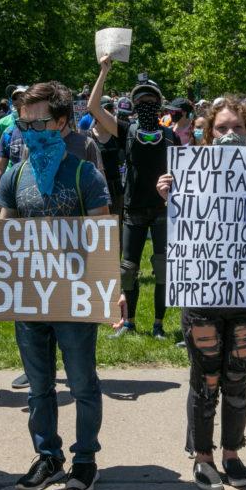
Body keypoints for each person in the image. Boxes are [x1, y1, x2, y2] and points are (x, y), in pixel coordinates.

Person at [0, 82, 112, 490]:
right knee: (39, 385)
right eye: (23, 123)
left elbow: (100, 231)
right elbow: (4, 233)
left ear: (62, 123)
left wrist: (109, 290)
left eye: (38, 122)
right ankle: (48, 456)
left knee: (82, 383)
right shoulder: (15, 174)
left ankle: (84, 460)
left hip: (75, 296)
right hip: (30, 296)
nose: (28, 130)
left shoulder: (84, 173)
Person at [156, 97, 246, 490]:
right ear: (208, 134)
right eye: (221, 129)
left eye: (237, 128)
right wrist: (170, 195)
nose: (229, 135)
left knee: (238, 377)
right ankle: (203, 457)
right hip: (203, 293)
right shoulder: (190, 171)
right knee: (206, 378)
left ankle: (232, 452)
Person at [88, 56, 175, 340]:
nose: (145, 104)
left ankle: (159, 324)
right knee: (128, 269)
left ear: (159, 104)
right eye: (141, 101)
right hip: (133, 209)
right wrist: (104, 71)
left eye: (151, 100)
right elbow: (93, 107)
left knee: (162, 267)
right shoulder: (125, 129)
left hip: (163, 210)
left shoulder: (171, 136)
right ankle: (129, 322)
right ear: (134, 106)